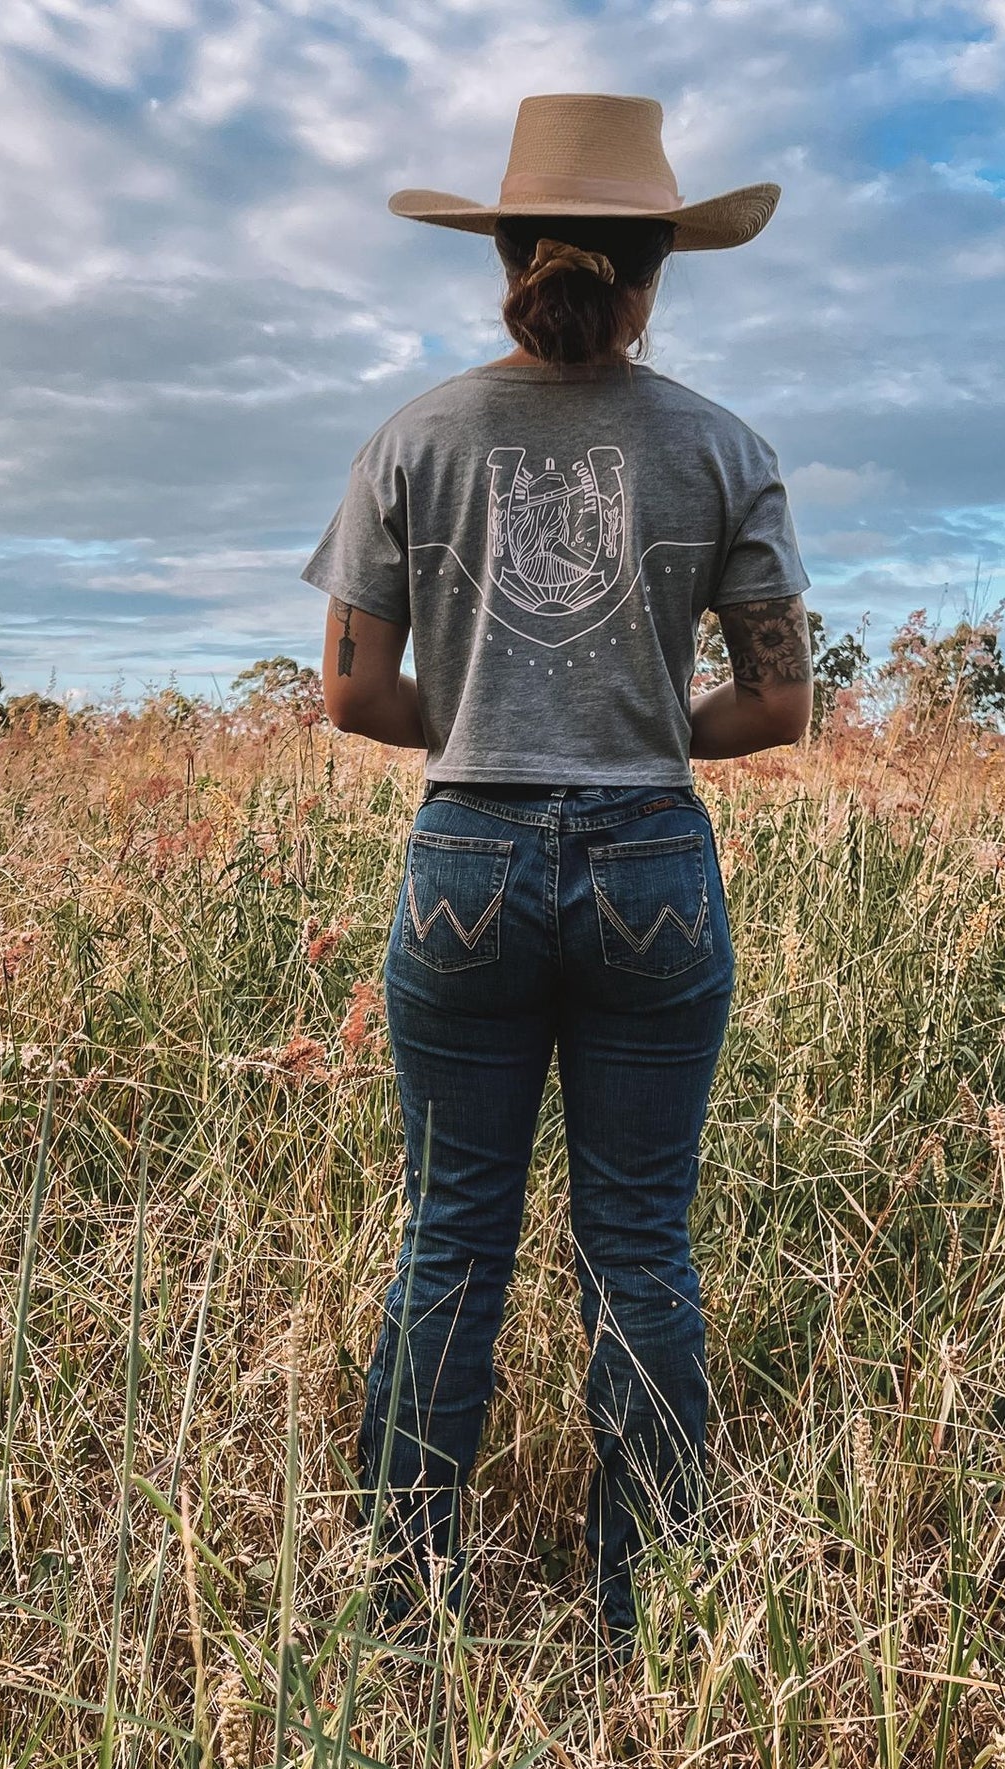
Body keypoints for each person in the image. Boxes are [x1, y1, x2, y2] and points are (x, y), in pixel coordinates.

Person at [300, 93, 814, 1660]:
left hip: (465, 851)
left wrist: (484, 722)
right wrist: (645, 723)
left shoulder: (416, 438)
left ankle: (403, 1608)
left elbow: (348, 692)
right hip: (653, 855)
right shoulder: (723, 447)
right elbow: (777, 702)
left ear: (504, 258)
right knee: (639, 1246)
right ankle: (646, 1611)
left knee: (453, 1237)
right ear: (658, 270)